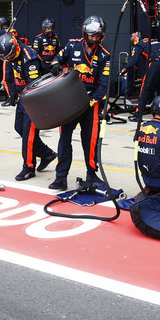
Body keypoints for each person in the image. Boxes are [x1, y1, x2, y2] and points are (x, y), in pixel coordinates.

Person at [48, 15, 111, 191]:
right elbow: (56, 59)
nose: (94, 39)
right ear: (85, 33)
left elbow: (104, 85)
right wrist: (55, 66)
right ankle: (61, 177)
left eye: (98, 36)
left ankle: (92, 173)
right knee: (64, 139)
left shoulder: (105, 56)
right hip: (70, 100)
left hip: (91, 102)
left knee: (90, 141)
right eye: (91, 36)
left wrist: (92, 101)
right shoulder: (71, 45)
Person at [0, 33, 57, 181]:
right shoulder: (11, 55)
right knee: (19, 128)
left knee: (28, 135)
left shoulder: (30, 59)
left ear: (15, 48)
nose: (7, 60)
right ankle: (46, 153)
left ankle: (28, 167)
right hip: (23, 97)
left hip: (35, 98)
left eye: (9, 56)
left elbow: (34, 87)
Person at [121, 32, 160, 122]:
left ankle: (138, 116)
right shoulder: (155, 41)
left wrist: (124, 70)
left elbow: (133, 60)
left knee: (144, 89)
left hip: (155, 64)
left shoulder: (139, 45)